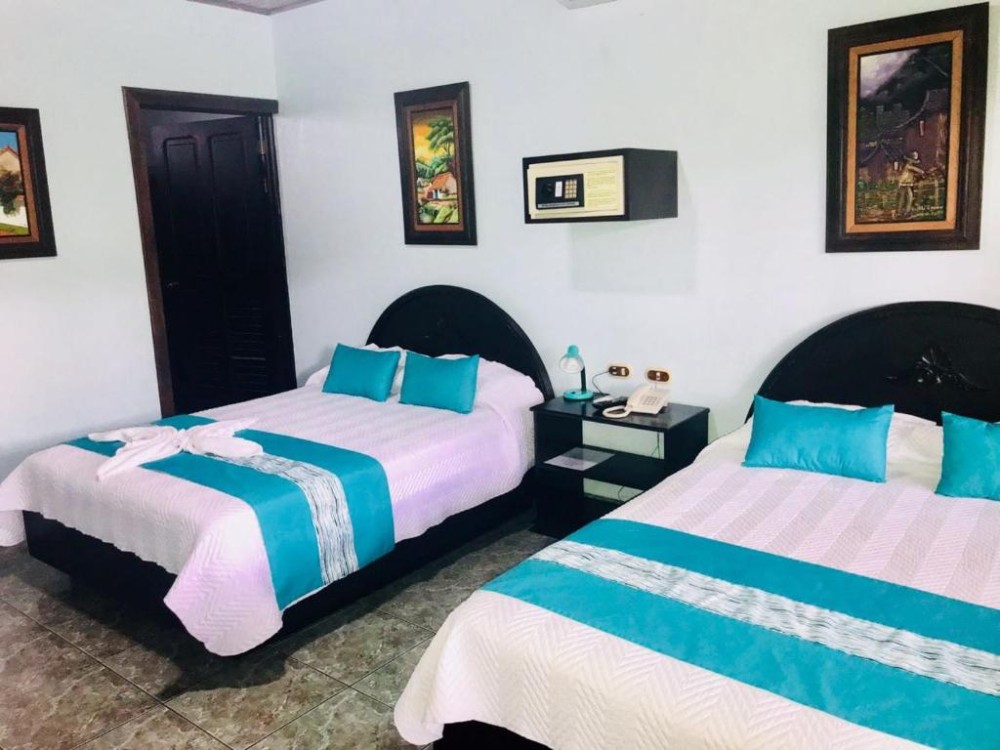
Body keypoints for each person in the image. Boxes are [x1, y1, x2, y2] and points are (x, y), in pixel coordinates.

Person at [896, 151, 925, 219]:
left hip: (906, 184)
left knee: (906, 197)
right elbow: (919, 171)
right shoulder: (908, 166)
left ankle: (903, 212)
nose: (913, 162)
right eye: (912, 160)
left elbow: (914, 173)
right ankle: (903, 212)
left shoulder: (909, 167)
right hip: (904, 184)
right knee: (908, 197)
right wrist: (922, 172)